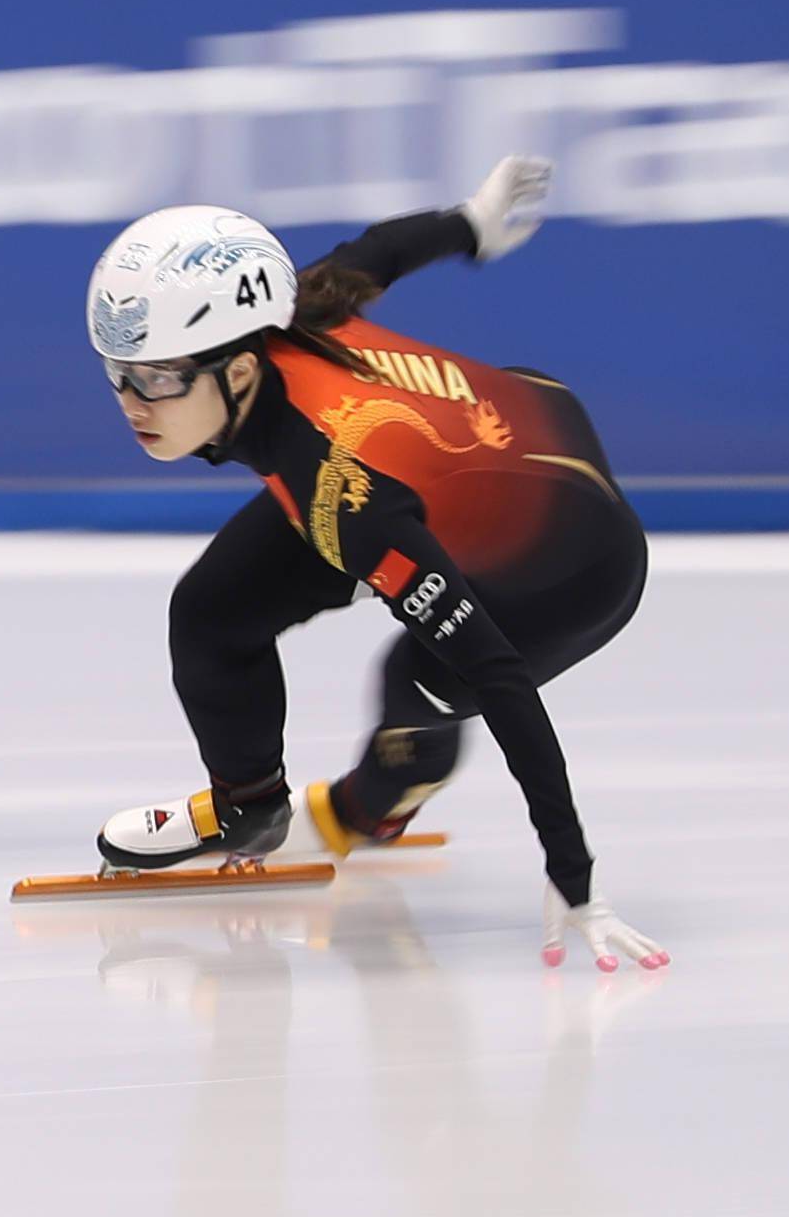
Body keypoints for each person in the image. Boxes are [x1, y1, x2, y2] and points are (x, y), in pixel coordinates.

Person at [84, 159, 669, 971]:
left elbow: (499, 675)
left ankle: (363, 809)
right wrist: (471, 221)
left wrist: (572, 872)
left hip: (575, 566)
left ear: (240, 368)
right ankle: (249, 810)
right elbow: (378, 251)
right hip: (506, 427)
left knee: (416, 683)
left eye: (155, 379)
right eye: (116, 375)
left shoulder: (342, 494)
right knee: (212, 612)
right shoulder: (289, 312)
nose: (131, 404)